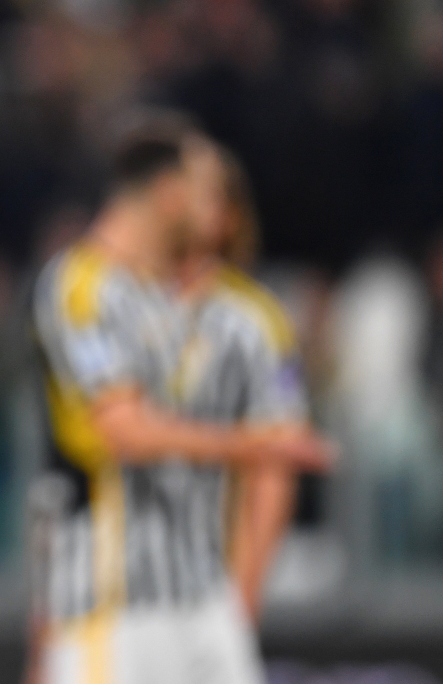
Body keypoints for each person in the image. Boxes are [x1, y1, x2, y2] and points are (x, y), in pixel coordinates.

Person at [30, 125, 332, 684]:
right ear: (171, 194)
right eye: (208, 190)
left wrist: (239, 602)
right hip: (106, 601)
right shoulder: (86, 285)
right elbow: (118, 432)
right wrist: (250, 445)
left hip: (206, 600)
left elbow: (272, 474)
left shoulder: (244, 315)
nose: (220, 208)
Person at [178, 134, 323, 623]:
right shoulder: (108, 303)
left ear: (230, 215)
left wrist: (244, 594)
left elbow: (275, 463)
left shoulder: (257, 322)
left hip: (208, 585)